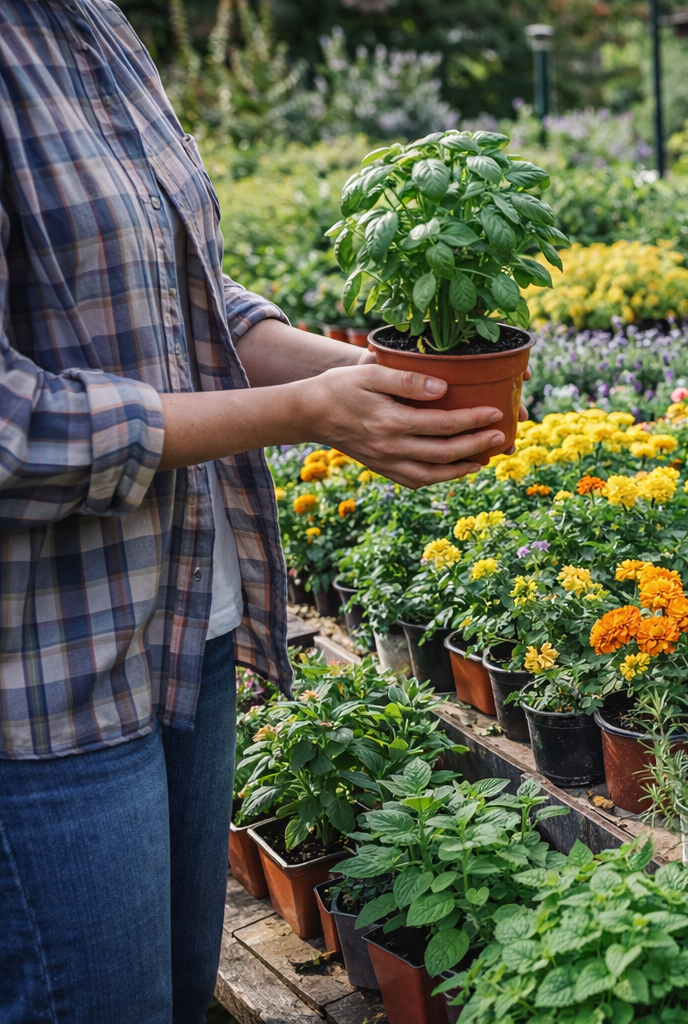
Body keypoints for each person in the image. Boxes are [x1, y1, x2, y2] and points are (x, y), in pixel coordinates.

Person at [0, 3, 515, 1021]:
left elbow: (182, 298)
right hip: (44, 677)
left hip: (183, 623)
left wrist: (378, 384)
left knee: (176, 994)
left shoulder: (95, 22)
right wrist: (302, 412)